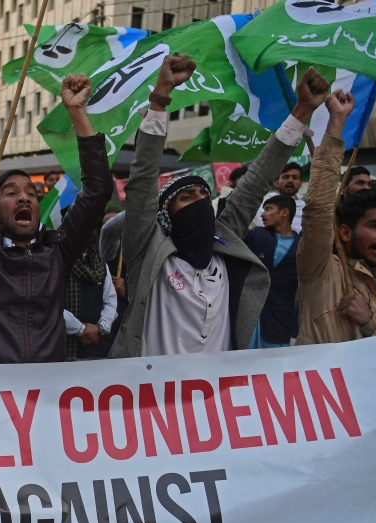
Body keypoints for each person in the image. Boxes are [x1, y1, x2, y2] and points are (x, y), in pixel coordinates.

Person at [109, 59, 331, 359]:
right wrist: (161, 95)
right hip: (153, 399)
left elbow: (258, 179)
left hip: (214, 402)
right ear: (166, 215)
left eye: (203, 193)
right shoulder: (148, 250)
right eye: (186, 198)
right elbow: (143, 180)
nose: (200, 201)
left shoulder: (226, 245)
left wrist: (302, 110)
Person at [0, 59, 113, 363]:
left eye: (31, 193)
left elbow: (98, 191)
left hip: (44, 393)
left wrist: (77, 113)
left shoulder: (57, 250)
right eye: (11, 193)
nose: (24, 198)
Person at [297, 91, 376, 343]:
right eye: (375, 226)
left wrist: (370, 321)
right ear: (344, 232)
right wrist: (337, 121)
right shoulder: (321, 270)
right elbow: (318, 211)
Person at [244, 195, 300, 348]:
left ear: (284, 212)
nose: (262, 214)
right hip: (248, 320)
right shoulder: (257, 235)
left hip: (279, 323)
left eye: (268, 209)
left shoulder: (302, 248)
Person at [64, 224, 118, 361]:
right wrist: (80, 329)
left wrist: (100, 328)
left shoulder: (100, 264)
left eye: (92, 227)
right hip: (65, 351)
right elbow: (51, 304)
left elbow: (110, 301)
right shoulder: (57, 261)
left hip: (98, 351)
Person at [252, 162, 305, 231]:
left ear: (300, 183)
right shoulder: (266, 203)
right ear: (277, 183)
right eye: (285, 177)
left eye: (295, 177)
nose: (290, 180)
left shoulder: (305, 206)